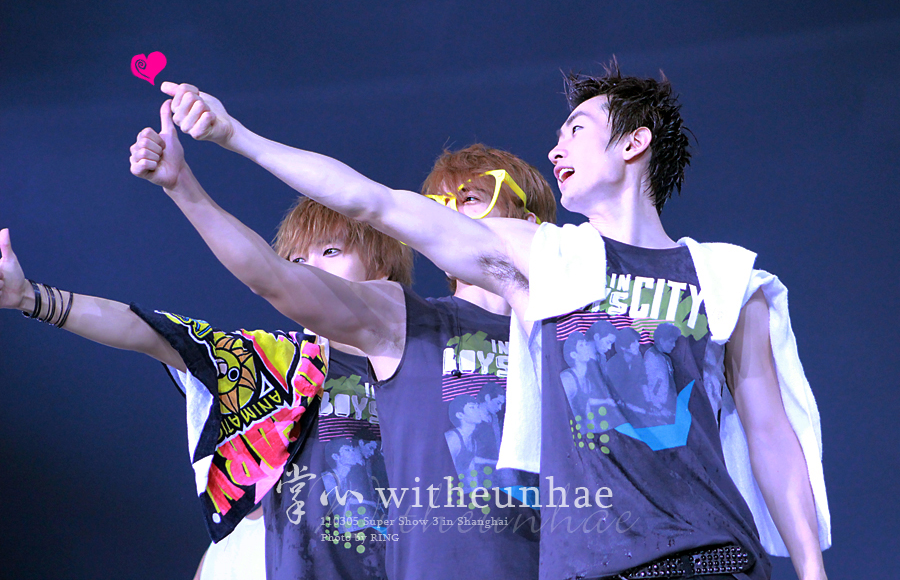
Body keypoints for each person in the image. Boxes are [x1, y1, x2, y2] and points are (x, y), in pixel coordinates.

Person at [155, 62, 831, 580]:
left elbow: (772, 434)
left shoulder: (725, 275)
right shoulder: (546, 258)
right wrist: (235, 137)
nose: (557, 148)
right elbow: (373, 203)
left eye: (576, 130)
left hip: (714, 553)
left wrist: (811, 571)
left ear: (635, 143)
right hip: (592, 565)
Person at [129, 97, 556, 580]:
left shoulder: (566, 331)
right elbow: (271, 276)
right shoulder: (409, 323)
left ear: (530, 224)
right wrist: (186, 186)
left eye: (472, 198)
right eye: (438, 205)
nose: (450, 215)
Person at [0, 194, 413, 580]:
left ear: (381, 268)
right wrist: (29, 298)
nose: (309, 270)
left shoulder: (428, 368)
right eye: (297, 259)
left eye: (331, 251)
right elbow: (150, 333)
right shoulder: (280, 363)